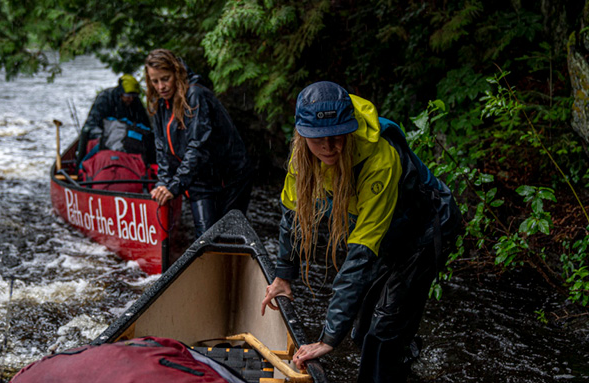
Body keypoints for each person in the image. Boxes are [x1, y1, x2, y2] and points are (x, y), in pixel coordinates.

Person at [260, 81, 462, 382]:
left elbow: (360, 255)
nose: (329, 148)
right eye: (318, 139)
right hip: (388, 232)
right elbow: (292, 214)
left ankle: (393, 359)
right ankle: (406, 358)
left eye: (336, 136)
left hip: (425, 229)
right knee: (362, 330)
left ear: (350, 128)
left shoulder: (379, 160)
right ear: (302, 135)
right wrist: (283, 275)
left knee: (381, 333)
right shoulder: (301, 155)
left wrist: (328, 339)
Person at [144, 49, 254, 237]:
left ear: (176, 73)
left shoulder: (196, 95)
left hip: (229, 177)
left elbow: (198, 146)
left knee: (225, 236)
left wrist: (174, 186)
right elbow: (161, 148)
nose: (161, 86)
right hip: (198, 179)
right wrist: (163, 182)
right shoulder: (162, 104)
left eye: (165, 78)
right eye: (155, 81)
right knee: (205, 240)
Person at [76, 74, 152, 163]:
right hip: (105, 136)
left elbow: (145, 124)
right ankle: (79, 165)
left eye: (133, 96)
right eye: (127, 96)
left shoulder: (136, 102)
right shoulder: (104, 98)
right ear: (120, 93)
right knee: (86, 131)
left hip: (128, 139)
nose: (131, 99)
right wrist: (105, 138)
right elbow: (92, 124)